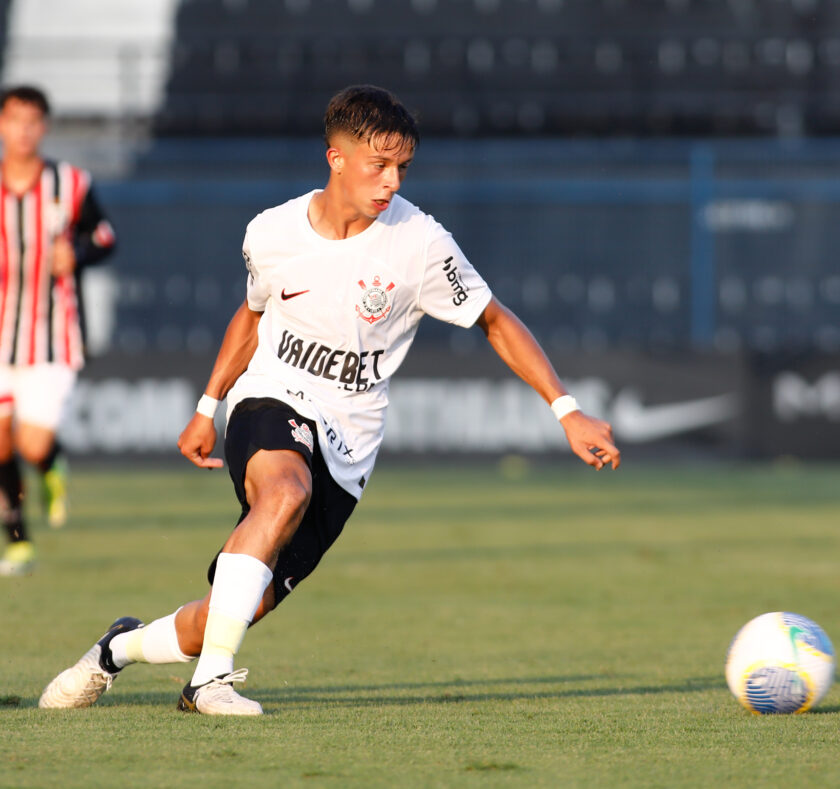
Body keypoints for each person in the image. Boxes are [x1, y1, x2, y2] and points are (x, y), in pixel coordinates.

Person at [38, 85, 618, 715]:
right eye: (379, 165)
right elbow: (252, 316)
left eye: (402, 167)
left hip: (351, 441)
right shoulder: (272, 232)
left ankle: (115, 650)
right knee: (286, 490)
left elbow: (495, 321)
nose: (392, 181)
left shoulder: (421, 243)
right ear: (336, 158)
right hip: (270, 396)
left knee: (229, 612)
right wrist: (208, 407)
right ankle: (210, 683)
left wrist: (567, 410)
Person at [0, 85, 116, 576]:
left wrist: (78, 253)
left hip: (52, 334)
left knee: (31, 444)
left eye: (33, 121)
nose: (24, 131)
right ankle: (17, 542)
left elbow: (104, 236)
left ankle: (51, 465)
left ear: (44, 127)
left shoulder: (70, 183)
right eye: (15, 120)